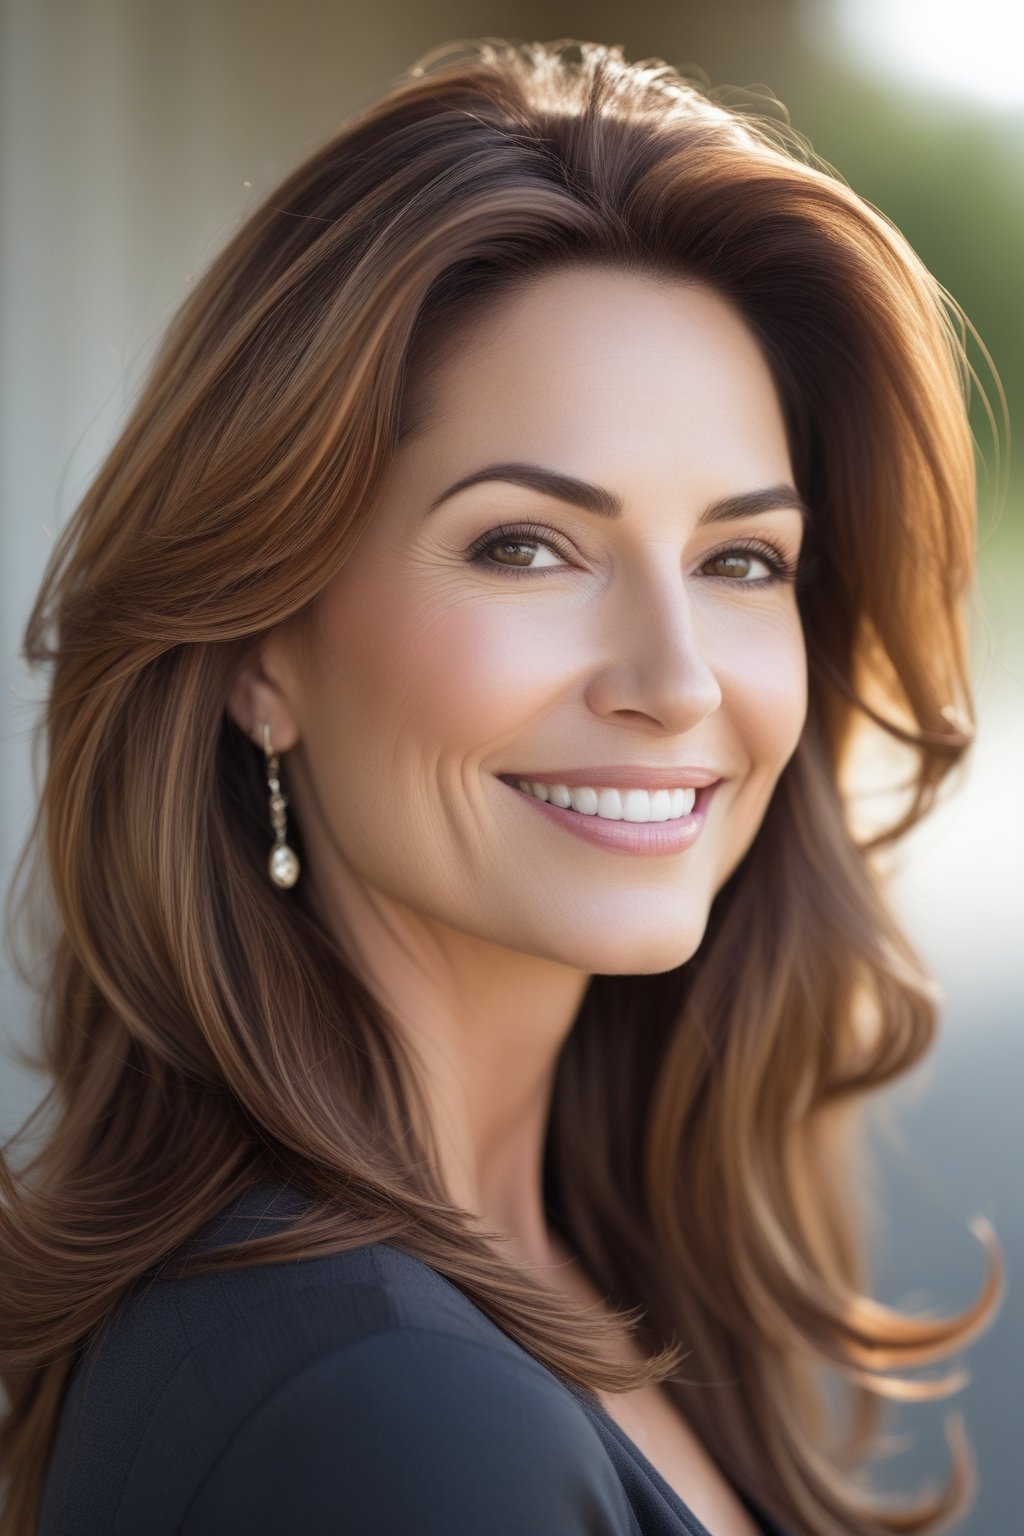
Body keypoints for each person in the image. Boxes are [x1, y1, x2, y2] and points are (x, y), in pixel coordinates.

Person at [0, 37, 1004, 1536]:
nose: (674, 679)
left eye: (742, 560)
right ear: (261, 648)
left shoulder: (538, 1278)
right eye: (526, 545)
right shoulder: (388, 1420)